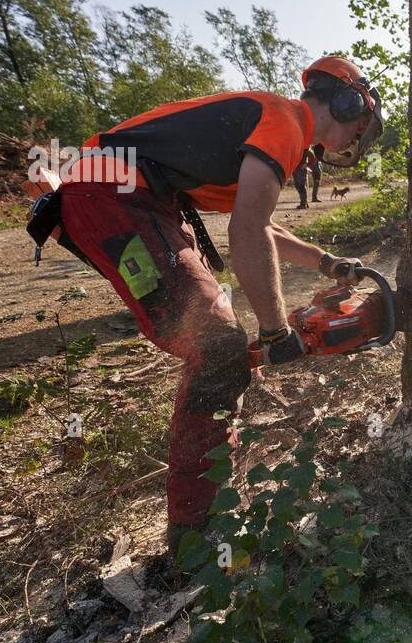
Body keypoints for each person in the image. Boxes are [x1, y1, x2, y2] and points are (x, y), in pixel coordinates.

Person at [49, 57, 383, 555]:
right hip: (113, 196)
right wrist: (274, 332)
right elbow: (245, 230)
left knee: (218, 346)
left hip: (136, 199)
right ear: (347, 101)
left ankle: (202, 506)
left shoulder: (276, 127)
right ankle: (195, 532)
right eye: (362, 124)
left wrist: (328, 263)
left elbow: (262, 223)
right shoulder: (287, 120)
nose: (357, 139)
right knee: (218, 347)